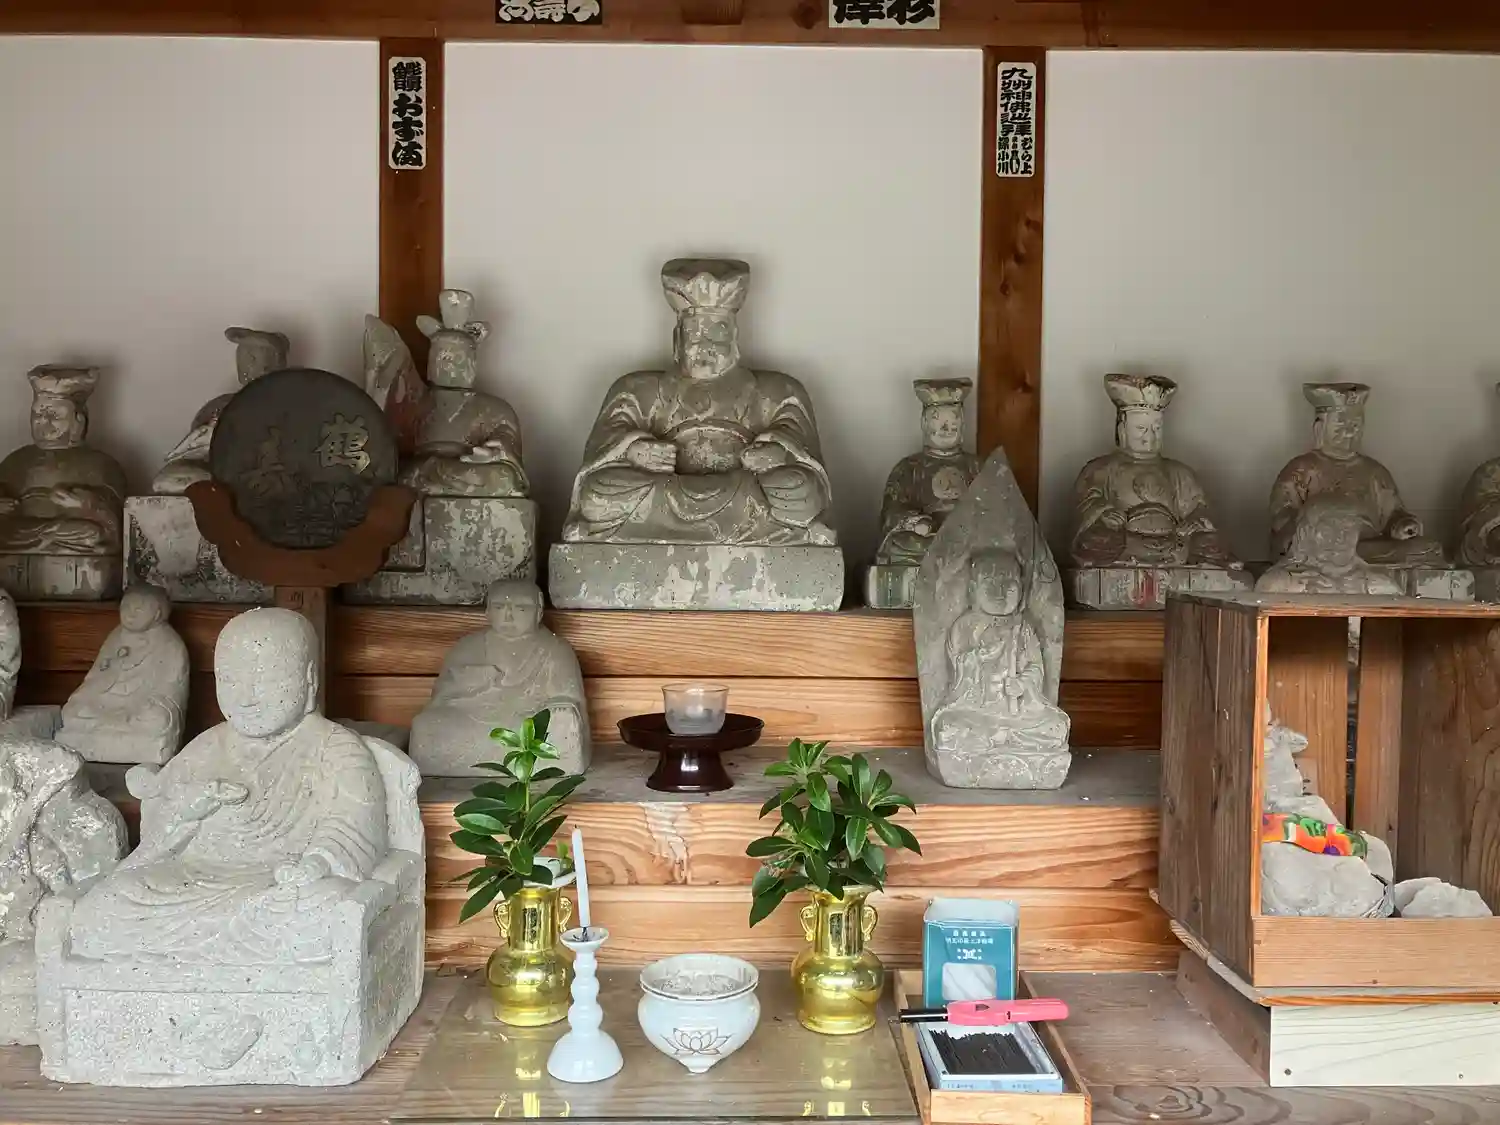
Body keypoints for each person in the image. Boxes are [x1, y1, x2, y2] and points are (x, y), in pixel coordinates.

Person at [65, 609, 389, 966]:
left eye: (265, 679)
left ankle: (195, 952)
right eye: (230, 680)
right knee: (105, 904)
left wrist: (316, 864)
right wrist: (186, 812)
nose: (246, 698)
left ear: (309, 679)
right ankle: (214, 953)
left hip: (279, 887)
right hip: (193, 880)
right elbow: (159, 831)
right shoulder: (207, 746)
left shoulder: (336, 748)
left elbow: (352, 828)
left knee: (322, 908)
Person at [562, 259, 835, 546]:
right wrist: (633, 450)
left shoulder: (778, 389)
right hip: (667, 487)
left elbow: (800, 446)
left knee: (799, 490)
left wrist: (777, 452)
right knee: (596, 495)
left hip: (745, 484)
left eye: (717, 332)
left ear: (735, 338)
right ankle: (777, 532)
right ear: (677, 339)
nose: (704, 345)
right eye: (694, 333)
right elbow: (606, 443)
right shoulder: (636, 388)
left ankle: (651, 531)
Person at [409, 581, 588, 776]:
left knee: (561, 726)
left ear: (539, 612)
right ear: (487, 611)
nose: (508, 616)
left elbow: (568, 697)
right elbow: (443, 694)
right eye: (499, 607)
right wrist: (473, 683)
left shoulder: (555, 649)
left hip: (525, 719)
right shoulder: (468, 646)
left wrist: (558, 707)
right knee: (425, 725)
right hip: (474, 715)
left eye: (521, 608)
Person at [1070, 373, 1237, 569]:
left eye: (1157, 428)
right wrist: (1104, 513)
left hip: (1175, 538)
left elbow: (1199, 508)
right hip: (1125, 538)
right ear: (1122, 429)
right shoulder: (1101, 469)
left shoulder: (1179, 472)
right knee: (1096, 541)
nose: (1149, 436)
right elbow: (1086, 503)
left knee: (1211, 543)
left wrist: (1194, 522)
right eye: (1141, 428)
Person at [1269, 382, 1444, 567]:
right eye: (1341, 426)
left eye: (1356, 425)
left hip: (1366, 548)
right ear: (1319, 428)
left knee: (1428, 548)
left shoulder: (1375, 472)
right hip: (1325, 546)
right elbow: (1282, 514)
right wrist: (1304, 529)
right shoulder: (1302, 468)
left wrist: (1402, 524)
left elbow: (1393, 514)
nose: (1349, 433)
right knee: (1313, 551)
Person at [929, 550, 1070, 759]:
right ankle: (995, 742)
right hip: (976, 711)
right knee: (949, 728)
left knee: (1055, 727)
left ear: (1021, 590)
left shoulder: (1023, 628)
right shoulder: (965, 627)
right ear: (972, 589)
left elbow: (1036, 668)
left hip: (1019, 714)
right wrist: (978, 657)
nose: (1000, 591)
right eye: (990, 583)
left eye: (1009, 584)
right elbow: (958, 669)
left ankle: (1001, 742)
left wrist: (1022, 684)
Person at [396, 290, 529, 499]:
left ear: (472, 364)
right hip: (426, 469)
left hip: (470, 470)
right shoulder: (414, 402)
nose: (449, 366)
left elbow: (508, 444)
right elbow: (393, 447)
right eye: (442, 358)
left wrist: (494, 453)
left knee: (504, 478)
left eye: (457, 358)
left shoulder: (495, 409)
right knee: (412, 473)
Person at [56, 585, 189, 765]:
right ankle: (106, 728)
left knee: (159, 718)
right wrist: (108, 671)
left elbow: (170, 689)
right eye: (126, 607)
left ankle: (117, 731)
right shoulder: (116, 636)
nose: (130, 614)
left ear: (157, 614)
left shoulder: (171, 644)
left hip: (139, 706)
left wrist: (147, 704)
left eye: (138, 609)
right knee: (71, 710)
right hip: (107, 701)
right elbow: (95, 677)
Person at [0, 366, 125, 558]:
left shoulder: (102, 463)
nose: (44, 423)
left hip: (71, 531)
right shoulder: (15, 460)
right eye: (38, 415)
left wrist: (86, 502)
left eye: (54, 416)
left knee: (92, 534)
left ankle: (50, 539)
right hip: (22, 531)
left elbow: (115, 520)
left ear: (78, 422)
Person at [152, 329, 290, 495]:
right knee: (168, 478)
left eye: (253, 358)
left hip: (264, 475)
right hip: (218, 472)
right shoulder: (220, 404)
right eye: (242, 356)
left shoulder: (291, 407)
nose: (246, 365)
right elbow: (195, 445)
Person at [875, 379, 979, 567]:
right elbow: (890, 513)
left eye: (953, 422)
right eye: (938, 422)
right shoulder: (908, 468)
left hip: (969, 539)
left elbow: (998, 508)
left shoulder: (977, 466)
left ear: (963, 424)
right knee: (902, 544)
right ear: (924, 423)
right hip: (927, 539)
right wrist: (916, 522)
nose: (946, 429)